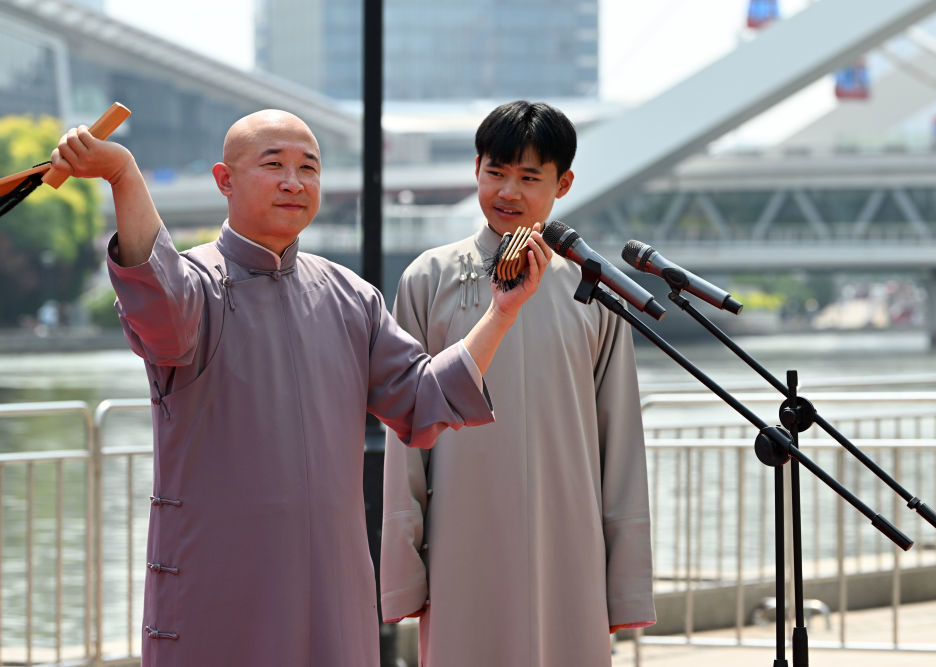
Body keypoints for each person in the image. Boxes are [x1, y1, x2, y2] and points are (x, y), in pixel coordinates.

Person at [48, 108, 552, 667]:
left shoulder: (350, 297)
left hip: (331, 588)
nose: (294, 181)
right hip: (220, 583)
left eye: (309, 167)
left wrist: (502, 313)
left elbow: (421, 398)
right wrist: (123, 174)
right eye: (274, 164)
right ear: (224, 180)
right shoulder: (195, 287)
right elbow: (159, 306)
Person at [380, 100, 655, 666]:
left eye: (529, 177)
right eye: (495, 173)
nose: (508, 191)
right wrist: (405, 572)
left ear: (564, 184)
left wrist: (624, 580)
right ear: (476, 170)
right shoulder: (427, 279)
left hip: (569, 542)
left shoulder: (593, 290)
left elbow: (620, 440)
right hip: (459, 538)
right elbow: (403, 436)